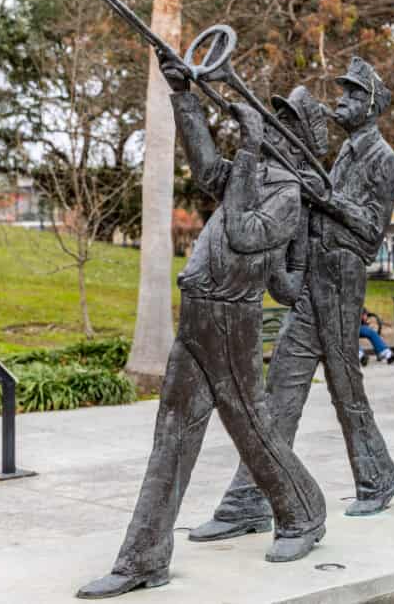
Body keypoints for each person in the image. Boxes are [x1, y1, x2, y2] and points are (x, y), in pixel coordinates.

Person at [76, 63, 326, 599]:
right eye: (273, 121)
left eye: (284, 125)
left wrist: (251, 150)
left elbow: (242, 232)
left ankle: (304, 512)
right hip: (198, 312)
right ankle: (144, 558)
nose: (273, 127)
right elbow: (208, 169)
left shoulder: (288, 194)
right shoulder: (252, 174)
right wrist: (184, 97)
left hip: (231, 318)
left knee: (253, 428)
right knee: (172, 432)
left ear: (300, 143)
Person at [188, 57, 394, 544]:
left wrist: (323, 198)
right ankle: (247, 500)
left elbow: (372, 231)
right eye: (343, 92)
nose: (341, 101)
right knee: (280, 392)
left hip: (342, 280)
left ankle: (377, 479)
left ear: (372, 105)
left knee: (345, 389)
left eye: (351, 94)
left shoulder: (382, 157)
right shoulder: (346, 152)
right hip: (315, 282)